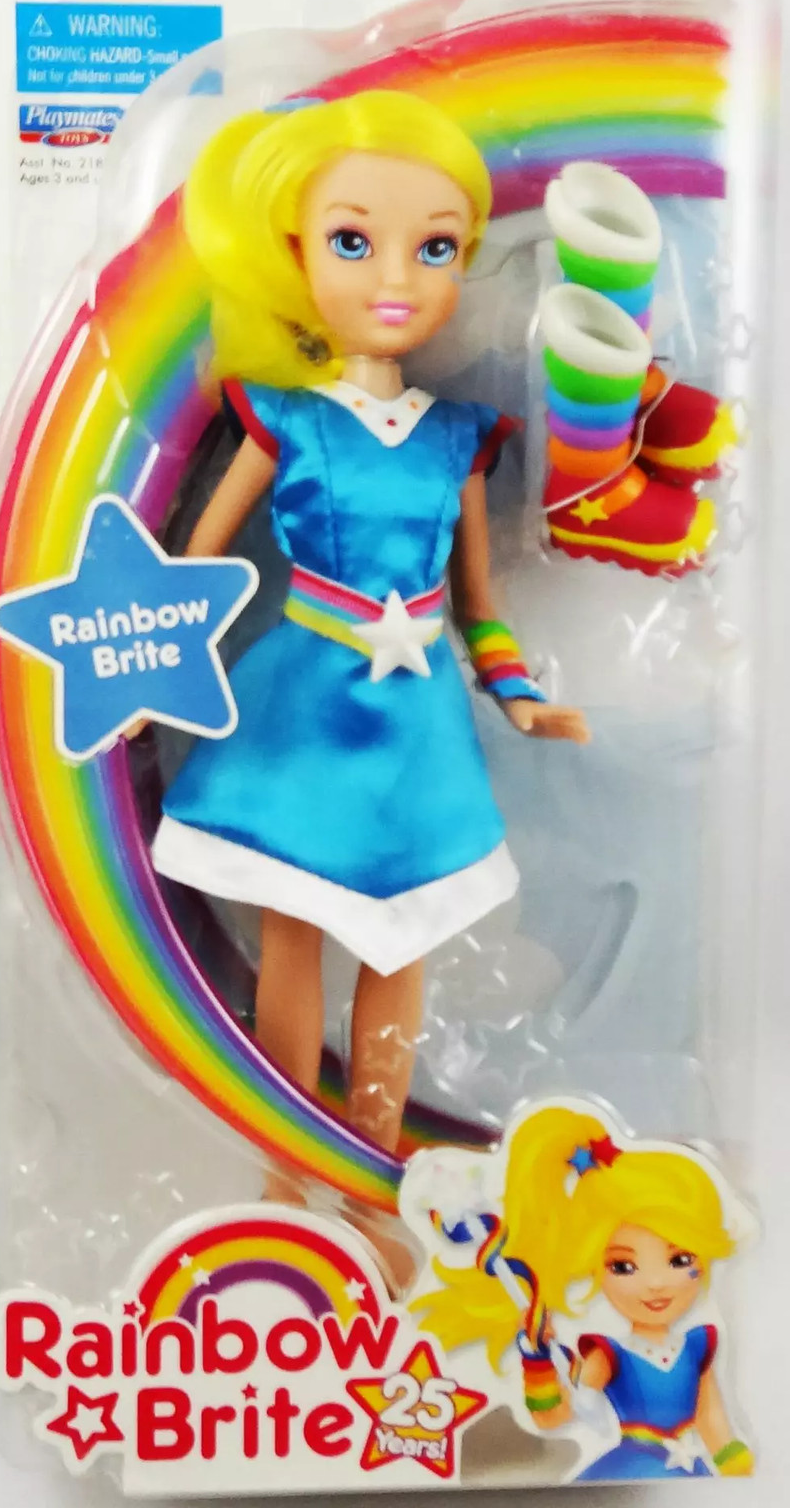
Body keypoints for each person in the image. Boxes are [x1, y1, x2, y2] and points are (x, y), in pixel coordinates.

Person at [150, 90, 589, 1158]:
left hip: (420, 722)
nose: (396, 279)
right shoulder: (285, 419)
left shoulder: (458, 437)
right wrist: (144, 678)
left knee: (405, 938)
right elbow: (191, 571)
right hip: (304, 706)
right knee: (292, 929)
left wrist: (522, 699)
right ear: (294, 253)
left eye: (434, 248)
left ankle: (374, 1155)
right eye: (354, 242)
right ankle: (291, 1157)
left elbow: (478, 606)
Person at [413, 1104, 753, 1480]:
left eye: (680, 1259)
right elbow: (555, 1416)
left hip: (689, 1472)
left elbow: (710, 1415)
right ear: (594, 1266)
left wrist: (737, 1465)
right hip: (628, 1471)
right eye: (623, 1266)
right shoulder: (610, 1355)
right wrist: (538, 1360)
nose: (656, 1283)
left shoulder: (697, 1346)